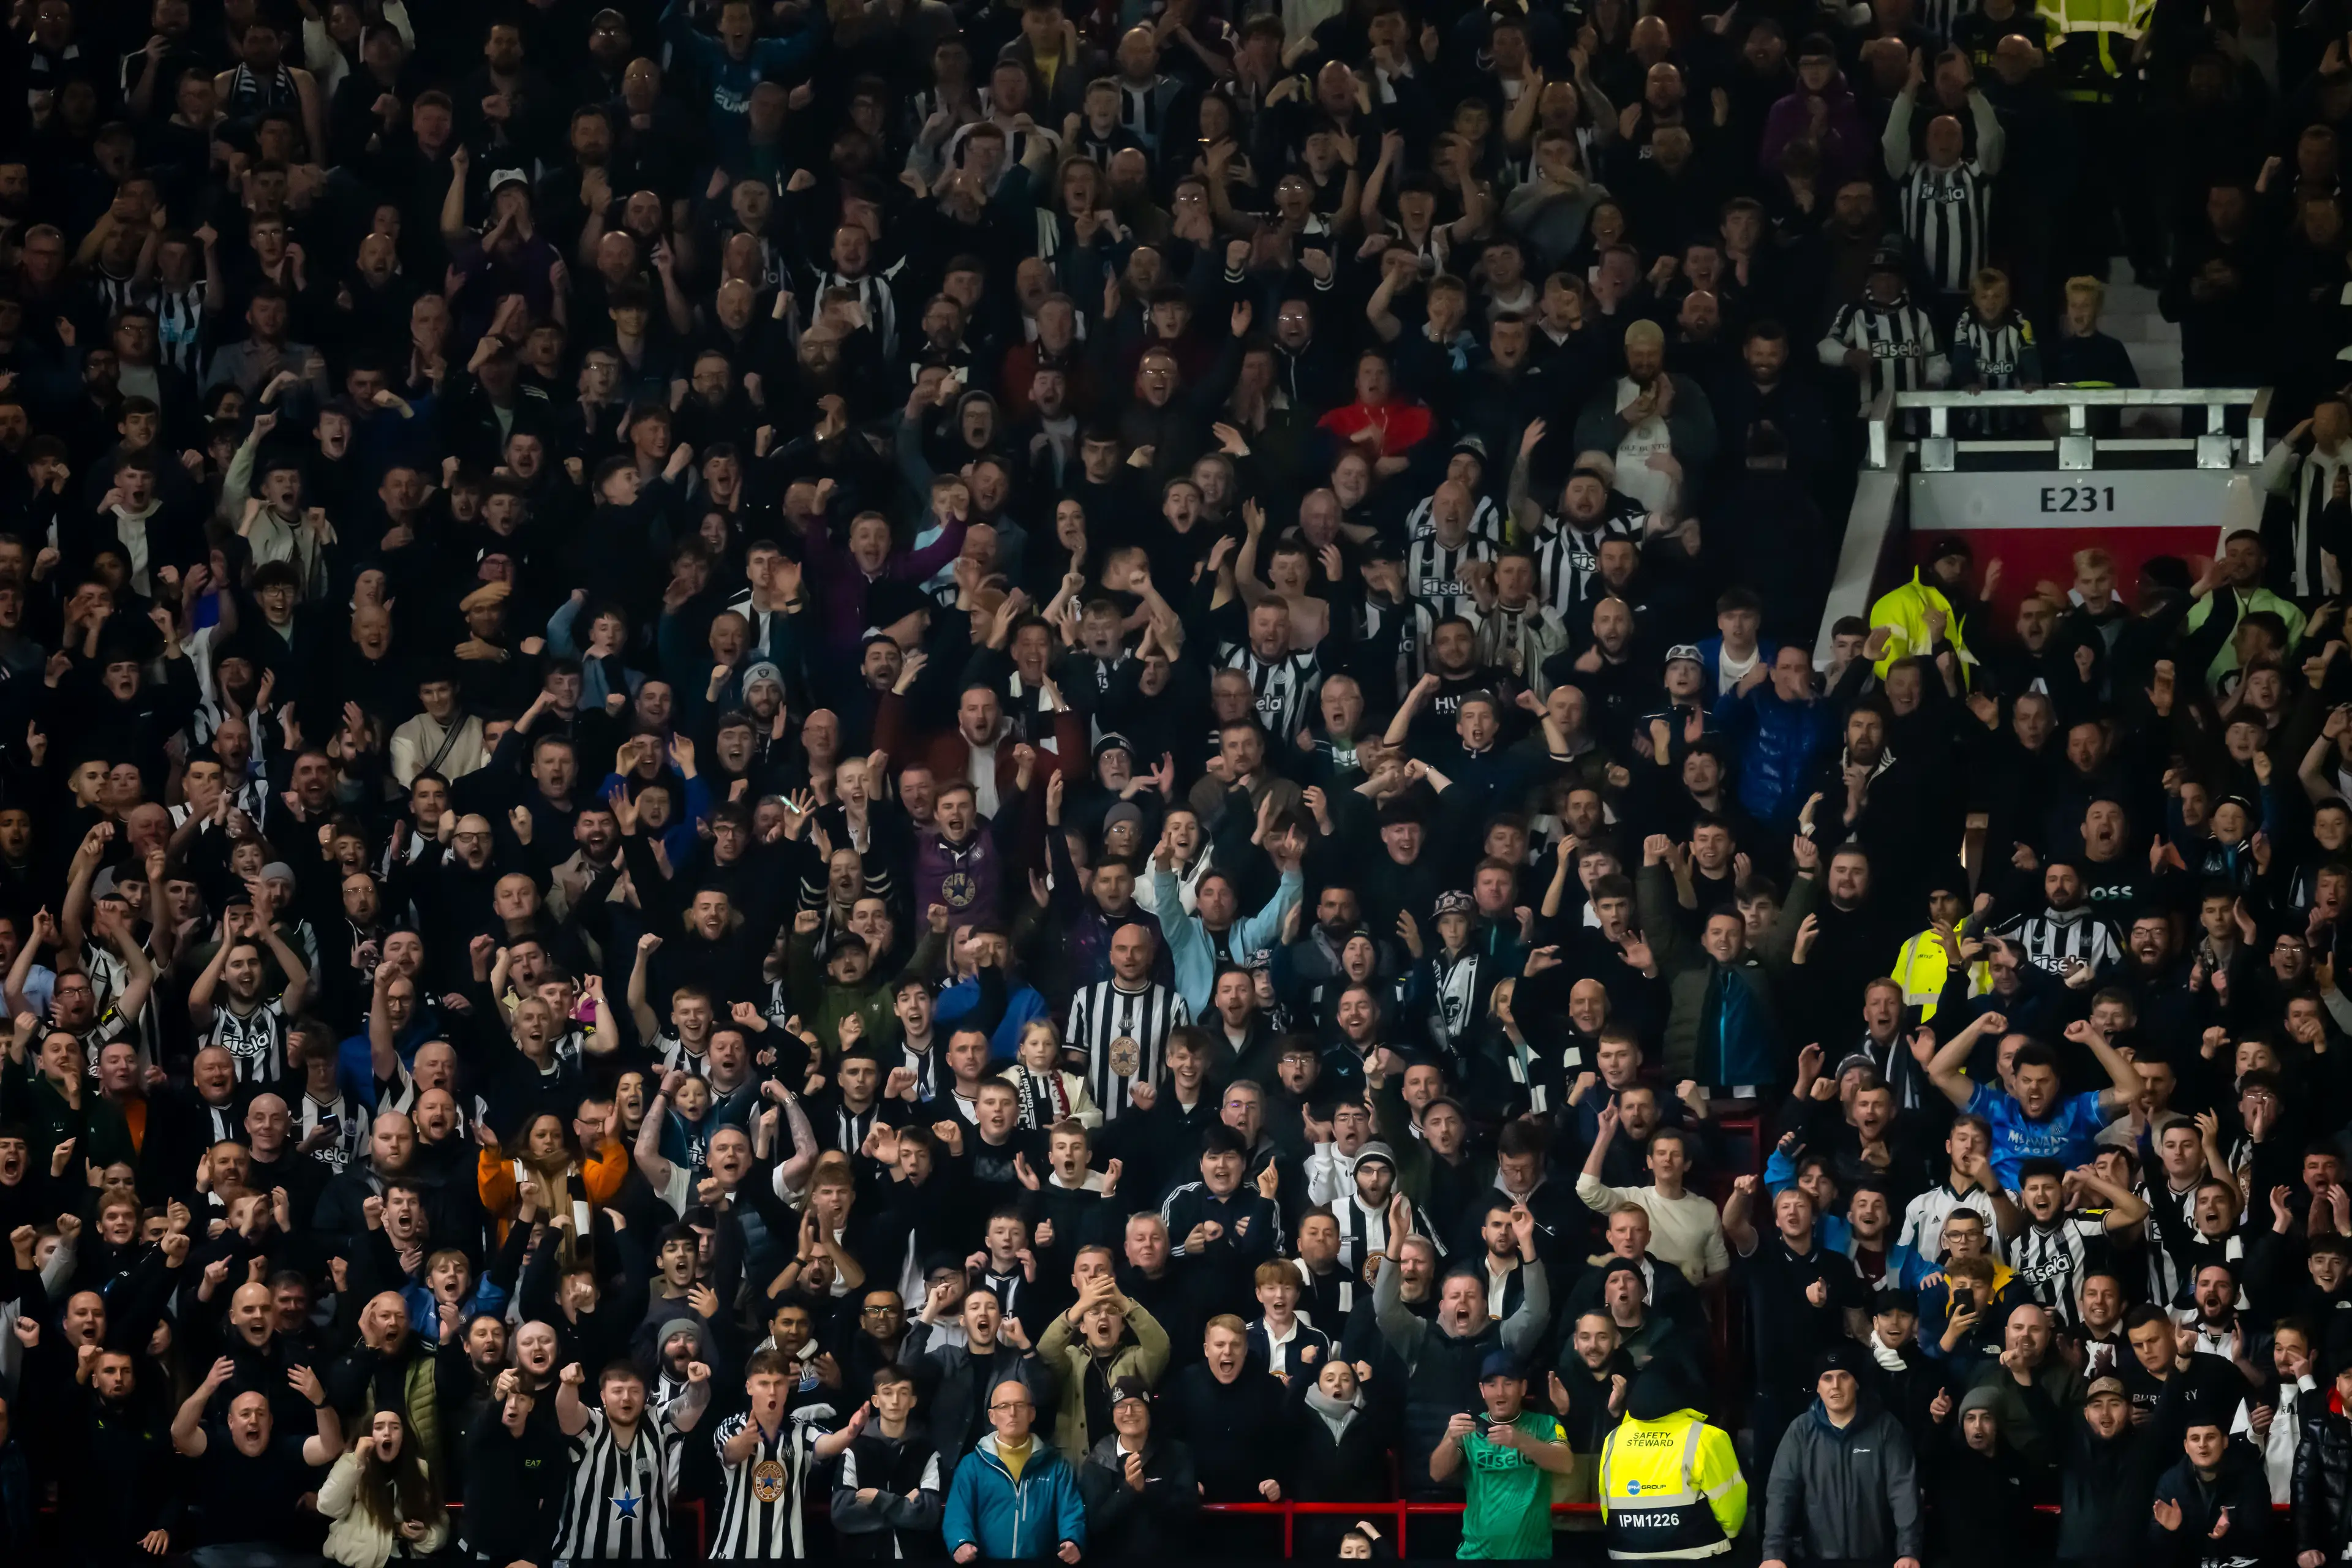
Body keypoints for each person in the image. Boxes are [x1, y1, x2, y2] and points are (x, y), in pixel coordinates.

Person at [1760, 1345, 1925, 1568]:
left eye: (1843, 1377)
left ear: (1856, 1383)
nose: (1835, 1386)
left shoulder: (1886, 1428)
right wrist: (1773, 1553)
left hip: (1877, 1559)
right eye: (1827, 1378)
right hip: (1816, 1559)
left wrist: (1909, 1551)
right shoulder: (1800, 1431)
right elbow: (1782, 1493)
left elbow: (1904, 1491)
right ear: (1817, 1387)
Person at [1430, 1351, 1575, 1559]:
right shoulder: (1468, 1427)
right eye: (1491, 1384)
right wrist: (1451, 1440)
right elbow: (1437, 1473)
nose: (1500, 1393)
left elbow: (1566, 1464)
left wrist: (1520, 1441)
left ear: (1523, 1388)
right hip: (1476, 1555)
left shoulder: (1546, 1425)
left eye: (1508, 1383)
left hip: (1532, 1556)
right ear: (1482, 1390)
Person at [943, 1376, 1087, 1564]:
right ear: (992, 1416)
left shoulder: (1056, 1465)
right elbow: (957, 1514)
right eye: (1003, 1406)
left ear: (1032, 1413)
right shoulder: (972, 1466)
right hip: (986, 1562)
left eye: (1020, 1405)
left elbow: (1071, 1511)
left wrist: (1072, 1540)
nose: (1012, 1413)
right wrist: (960, 1543)